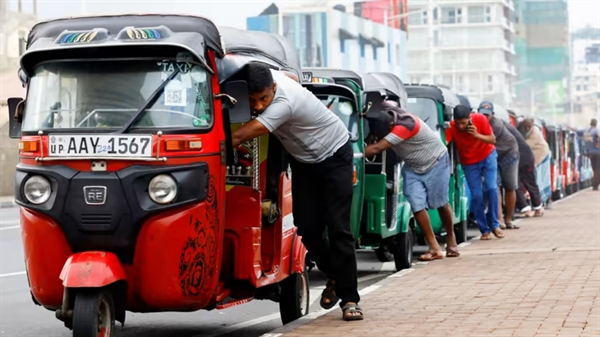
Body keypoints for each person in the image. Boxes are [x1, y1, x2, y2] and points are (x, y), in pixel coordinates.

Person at [230, 63, 363, 321]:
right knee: (306, 227)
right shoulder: (274, 77)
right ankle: (335, 275)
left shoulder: (284, 102)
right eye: (253, 100)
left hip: (335, 154)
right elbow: (288, 75)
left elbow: (244, 133)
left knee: (338, 228)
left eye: (263, 99)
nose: (258, 106)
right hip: (304, 161)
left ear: (275, 89)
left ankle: (349, 300)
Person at [364, 101, 460, 260]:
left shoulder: (405, 126)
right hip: (413, 166)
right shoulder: (387, 113)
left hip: (436, 162)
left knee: (441, 204)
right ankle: (434, 248)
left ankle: (451, 238)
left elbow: (376, 148)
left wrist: (348, 155)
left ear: (390, 127)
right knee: (417, 205)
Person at [445, 105, 505, 240]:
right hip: (469, 162)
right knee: (476, 195)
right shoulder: (452, 126)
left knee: (491, 188)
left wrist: (476, 135)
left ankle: (495, 224)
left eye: (464, 123)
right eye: (458, 123)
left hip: (487, 156)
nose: (461, 126)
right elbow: (445, 143)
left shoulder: (480, 119)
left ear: (469, 118)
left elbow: (492, 139)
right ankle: (484, 230)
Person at [478, 101, 519, 229]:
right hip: (492, 154)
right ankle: (499, 220)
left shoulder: (495, 125)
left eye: (487, 115)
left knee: (510, 186)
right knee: (495, 186)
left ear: (493, 115)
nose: (484, 117)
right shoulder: (475, 122)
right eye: (482, 114)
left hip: (508, 153)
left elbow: (483, 143)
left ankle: (508, 219)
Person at [503, 120, 543, 220]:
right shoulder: (506, 126)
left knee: (528, 183)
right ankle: (528, 208)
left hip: (524, 158)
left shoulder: (501, 127)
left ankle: (535, 208)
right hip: (520, 157)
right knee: (518, 184)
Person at [519, 118, 551, 215]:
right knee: (534, 180)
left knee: (537, 180)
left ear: (532, 125)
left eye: (529, 126)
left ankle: (540, 204)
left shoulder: (535, 132)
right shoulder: (525, 128)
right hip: (532, 155)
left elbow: (525, 145)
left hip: (540, 154)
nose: (527, 128)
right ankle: (538, 205)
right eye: (526, 127)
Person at [583, 118, 600, 190]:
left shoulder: (587, 131)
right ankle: (595, 184)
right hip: (597, 152)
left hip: (589, 152)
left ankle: (594, 183)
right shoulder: (596, 130)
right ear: (596, 124)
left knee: (594, 168)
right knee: (598, 169)